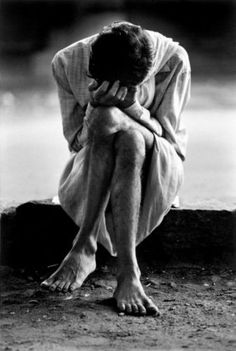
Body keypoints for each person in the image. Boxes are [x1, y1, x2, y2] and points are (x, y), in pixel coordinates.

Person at [41, 21, 191, 316]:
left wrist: (131, 110)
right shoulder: (67, 62)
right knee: (115, 126)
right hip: (92, 163)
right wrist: (95, 114)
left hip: (157, 164)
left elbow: (172, 142)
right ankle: (127, 272)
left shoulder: (174, 61)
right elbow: (75, 142)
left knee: (123, 128)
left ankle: (84, 247)